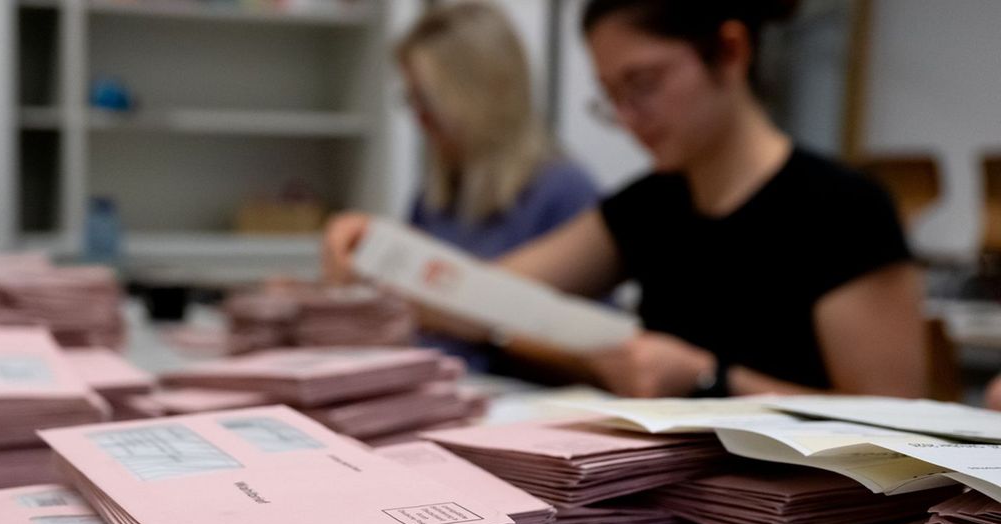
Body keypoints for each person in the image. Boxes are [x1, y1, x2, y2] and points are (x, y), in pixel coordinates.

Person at [325, 0, 927, 398]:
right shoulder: (649, 207)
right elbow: (481, 299)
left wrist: (711, 379)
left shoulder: (845, 209)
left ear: (731, 52)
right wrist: (376, 251)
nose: (628, 118)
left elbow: (897, 433)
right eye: (610, 97)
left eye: (643, 85)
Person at [394, 1, 601, 372]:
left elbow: (596, 345)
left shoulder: (564, 192)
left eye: (428, 100)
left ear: (482, 94)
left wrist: (468, 321)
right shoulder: (436, 195)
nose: (420, 119)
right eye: (412, 100)